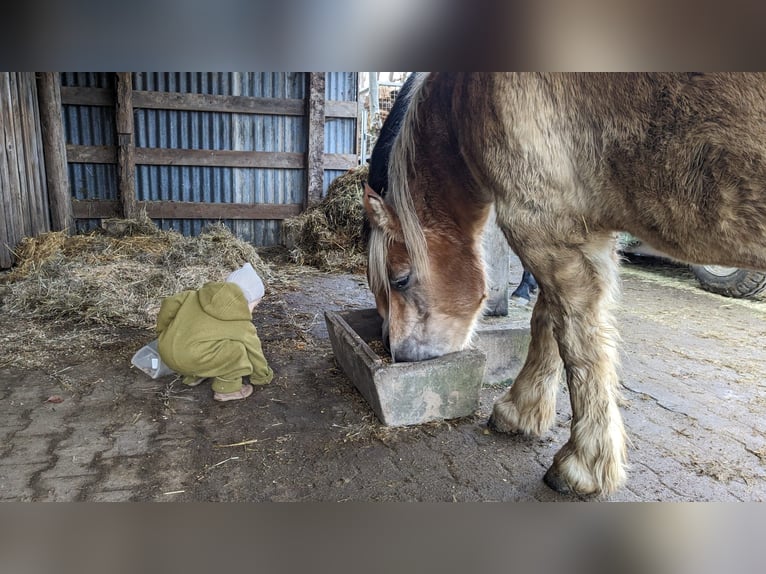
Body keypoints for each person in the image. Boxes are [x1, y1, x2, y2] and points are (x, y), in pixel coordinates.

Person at [156, 262, 273, 402]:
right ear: (247, 301)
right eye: (254, 305)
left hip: (166, 352)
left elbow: (168, 304)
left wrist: (163, 331)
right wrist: (262, 376)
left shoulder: (192, 296)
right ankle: (227, 390)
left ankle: (194, 377)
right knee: (237, 350)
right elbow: (255, 352)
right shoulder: (241, 324)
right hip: (192, 359)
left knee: (199, 341)